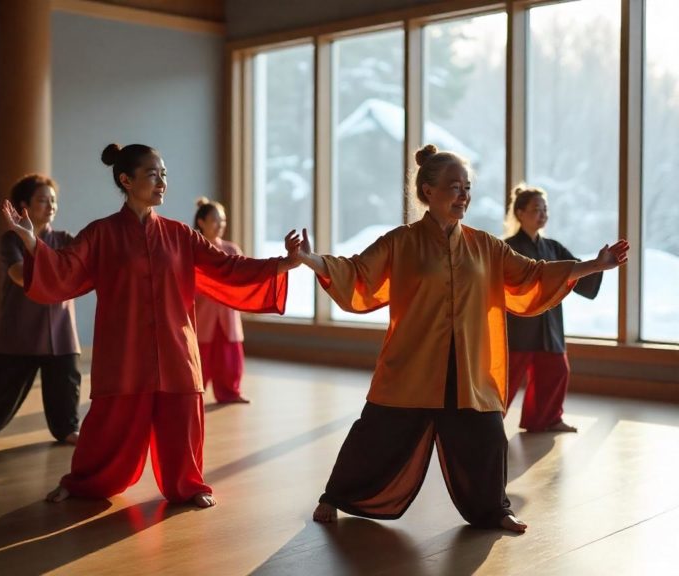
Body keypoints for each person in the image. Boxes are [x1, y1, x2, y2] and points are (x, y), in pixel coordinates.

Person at [293, 144, 628, 532]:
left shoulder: (484, 245)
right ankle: (334, 497)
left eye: (467, 187)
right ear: (427, 193)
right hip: (413, 367)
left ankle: (494, 509)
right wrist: (310, 258)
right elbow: (357, 273)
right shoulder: (401, 242)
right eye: (455, 187)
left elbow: (533, 275)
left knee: (487, 438)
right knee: (377, 434)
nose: (464, 195)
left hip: (470, 367)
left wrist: (595, 265)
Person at [2, 143, 300, 507]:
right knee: (110, 424)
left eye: (164, 174)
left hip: (177, 348)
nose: (162, 182)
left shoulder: (180, 235)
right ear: (126, 180)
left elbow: (228, 267)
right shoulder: (101, 234)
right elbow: (63, 269)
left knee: (182, 421)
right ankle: (84, 482)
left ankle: (189, 486)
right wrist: (31, 239)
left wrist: (280, 265)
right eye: (152, 174)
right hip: (124, 349)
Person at [0, 174, 81, 445]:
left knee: (66, 385)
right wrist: (53, 267)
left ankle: (68, 430)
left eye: (53, 200)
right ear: (25, 205)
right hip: (20, 328)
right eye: (43, 200)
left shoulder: (66, 239)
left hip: (61, 328)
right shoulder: (12, 240)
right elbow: (20, 275)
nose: (50, 206)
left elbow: (81, 271)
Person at [504, 185, 603, 433]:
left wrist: (598, 264)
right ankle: (486, 424)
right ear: (519, 213)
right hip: (519, 323)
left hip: (548, 323)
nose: (542, 214)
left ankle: (545, 419)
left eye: (545, 209)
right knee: (505, 380)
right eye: (536, 209)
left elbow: (575, 270)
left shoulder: (553, 247)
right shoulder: (507, 247)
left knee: (557, 370)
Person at [193, 198, 250, 404]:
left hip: (227, 313)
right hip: (202, 312)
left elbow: (243, 276)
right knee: (200, 357)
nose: (220, 225)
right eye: (215, 220)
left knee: (229, 358)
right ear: (202, 222)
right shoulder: (194, 249)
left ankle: (230, 392)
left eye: (223, 221)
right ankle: (193, 393)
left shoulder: (232, 249)